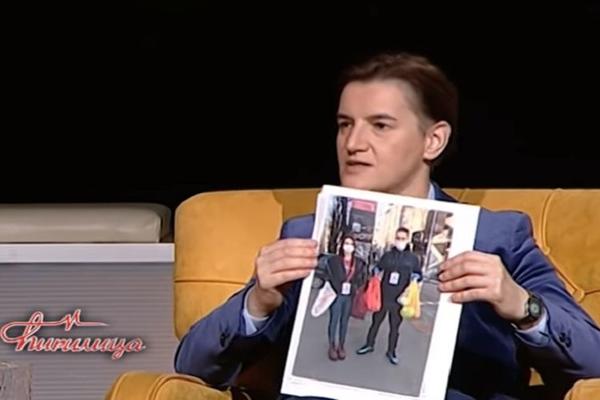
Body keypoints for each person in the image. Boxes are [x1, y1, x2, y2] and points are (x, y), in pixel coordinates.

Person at [174, 52, 600, 400]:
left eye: (379, 125)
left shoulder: (496, 236)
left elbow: (592, 361)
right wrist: (257, 303)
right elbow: (192, 366)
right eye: (345, 125)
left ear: (433, 140)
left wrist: (521, 305)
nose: (353, 143)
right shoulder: (306, 235)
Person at [356, 227, 420, 364]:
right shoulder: (388, 255)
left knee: (394, 328)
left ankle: (391, 352)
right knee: (375, 323)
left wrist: (416, 278)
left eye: (403, 238)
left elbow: (419, 274)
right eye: (398, 238)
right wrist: (375, 271)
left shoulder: (413, 259)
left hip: (400, 299)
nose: (400, 241)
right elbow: (379, 267)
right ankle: (369, 345)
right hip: (384, 296)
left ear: (407, 240)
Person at [323, 234, 366, 361]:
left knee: (344, 322)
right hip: (336, 295)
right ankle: (332, 346)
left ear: (354, 247)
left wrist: (355, 287)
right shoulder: (334, 261)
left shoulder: (359, 263)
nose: (348, 246)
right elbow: (328, 275)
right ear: (342, 245)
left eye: (351, 244)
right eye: (346, 243)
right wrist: (336, 286)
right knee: (334, 320)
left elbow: (362, 277)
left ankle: (341, 346)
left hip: (349, 296)